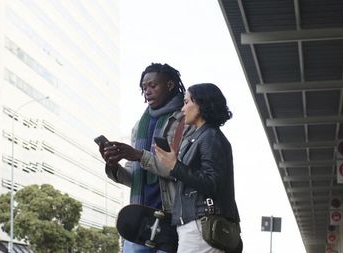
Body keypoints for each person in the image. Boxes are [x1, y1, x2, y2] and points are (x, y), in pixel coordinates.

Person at [100, 63, 193, 253]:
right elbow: (134, 178)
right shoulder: (139, 126)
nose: (147, 91)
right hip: (138, 220)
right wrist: (114, 165)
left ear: (170, 85)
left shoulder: (185, 121)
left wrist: (137, 155)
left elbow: (179, 170)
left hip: (171, 220)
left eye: (153, 86)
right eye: (144, 88)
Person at [155, 83, 241, 253]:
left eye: (187, 102)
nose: (183, 108)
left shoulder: (210, 137)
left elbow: (212, 182)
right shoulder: (200, 137)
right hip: (195, 225)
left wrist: (175, 165)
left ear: (201, 104)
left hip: (202, 225)